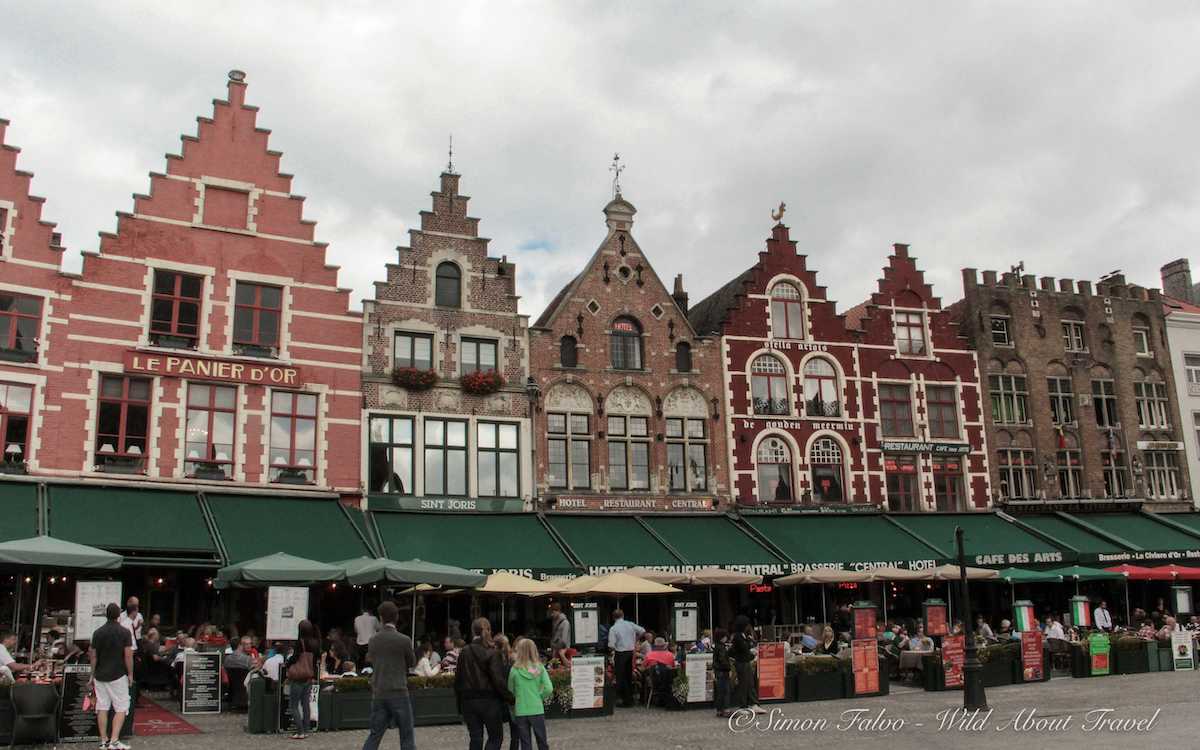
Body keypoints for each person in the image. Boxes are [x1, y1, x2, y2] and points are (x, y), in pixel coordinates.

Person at [361, 601, 416, 750]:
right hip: (399, 691)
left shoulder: (373, 640)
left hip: (379, 692)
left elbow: (371, 659)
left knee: (374, 735)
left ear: (380, 618)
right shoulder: (404, 640)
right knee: (407, 735)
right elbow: (412, 662)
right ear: (397, 617)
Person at [455, 617, 513, 750]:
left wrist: (459, 704)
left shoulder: (465, 651)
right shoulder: (492, 652)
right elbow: (498, 680)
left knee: (475, 738)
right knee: (495, 737)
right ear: (489, 630)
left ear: (472, 631)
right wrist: (510, 698)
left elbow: (458, 680)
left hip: (468, 701)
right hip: (489, 701)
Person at [91, 602, 134, 750]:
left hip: (100, 675)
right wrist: (130, 674)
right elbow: (128, 656)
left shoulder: (97, 632)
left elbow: (94, 656)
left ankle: (103, 740)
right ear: (118, 616)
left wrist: (92, 675)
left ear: (106, 615)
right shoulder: (125, 632)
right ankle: (114, 740)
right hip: (118, 674)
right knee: (121, 707)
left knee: (102, 707)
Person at [507, 638, 552, 750]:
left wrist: (518, 695)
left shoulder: (514, 669)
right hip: (536, 709)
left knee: (525, 743)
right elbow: (549, 688)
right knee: (542, 741)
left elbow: (510, 688)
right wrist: (538, 696)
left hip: (521, 710)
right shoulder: (540, 668)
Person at [285, 620, 320, 740]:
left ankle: (299, 731)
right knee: (306, 705)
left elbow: (295, 658)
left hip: (298, 677)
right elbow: (315, 661)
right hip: (309, 677)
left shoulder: (300, 643)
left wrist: (288, 664)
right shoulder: (315, 643)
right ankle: (306, 730)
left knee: (294, 705)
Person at [606, 609, 644, 708]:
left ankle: (625, 700)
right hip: (630, 652)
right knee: (628, 676)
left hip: (620, 653)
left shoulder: (613, 628)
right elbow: (642, 631)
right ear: (623, 615)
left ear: (613, 617)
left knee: (620, 677)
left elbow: (611, 645)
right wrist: (635, 639)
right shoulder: (630, 624)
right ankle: (629, 699)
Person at [730, 616, 763, 714]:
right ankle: (743, 706)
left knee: (750, 684)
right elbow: (744, 648)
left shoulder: (743, 635)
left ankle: (754, 704)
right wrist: (749, 644)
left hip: (745, 662)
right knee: (744, 685)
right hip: (741, 663)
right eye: (747, 624)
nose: (749, 626)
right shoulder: (738, 636)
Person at [493, 635, 520, 750]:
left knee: (496, 736)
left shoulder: (492, 660)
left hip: (498, 699)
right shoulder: (513, 661)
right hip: (511, 698)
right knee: (515, 733)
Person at [711, 627, 731, 718]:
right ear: (722, 637)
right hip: (723, 671)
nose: (726, 638)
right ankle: (726, 710)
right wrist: (729, 667)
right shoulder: (722, 647)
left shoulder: (716, 646)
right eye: (725, 636)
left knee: (720, 692)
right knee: (726, 691)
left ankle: (719, 710)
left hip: (718, 671)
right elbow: (723, 660)